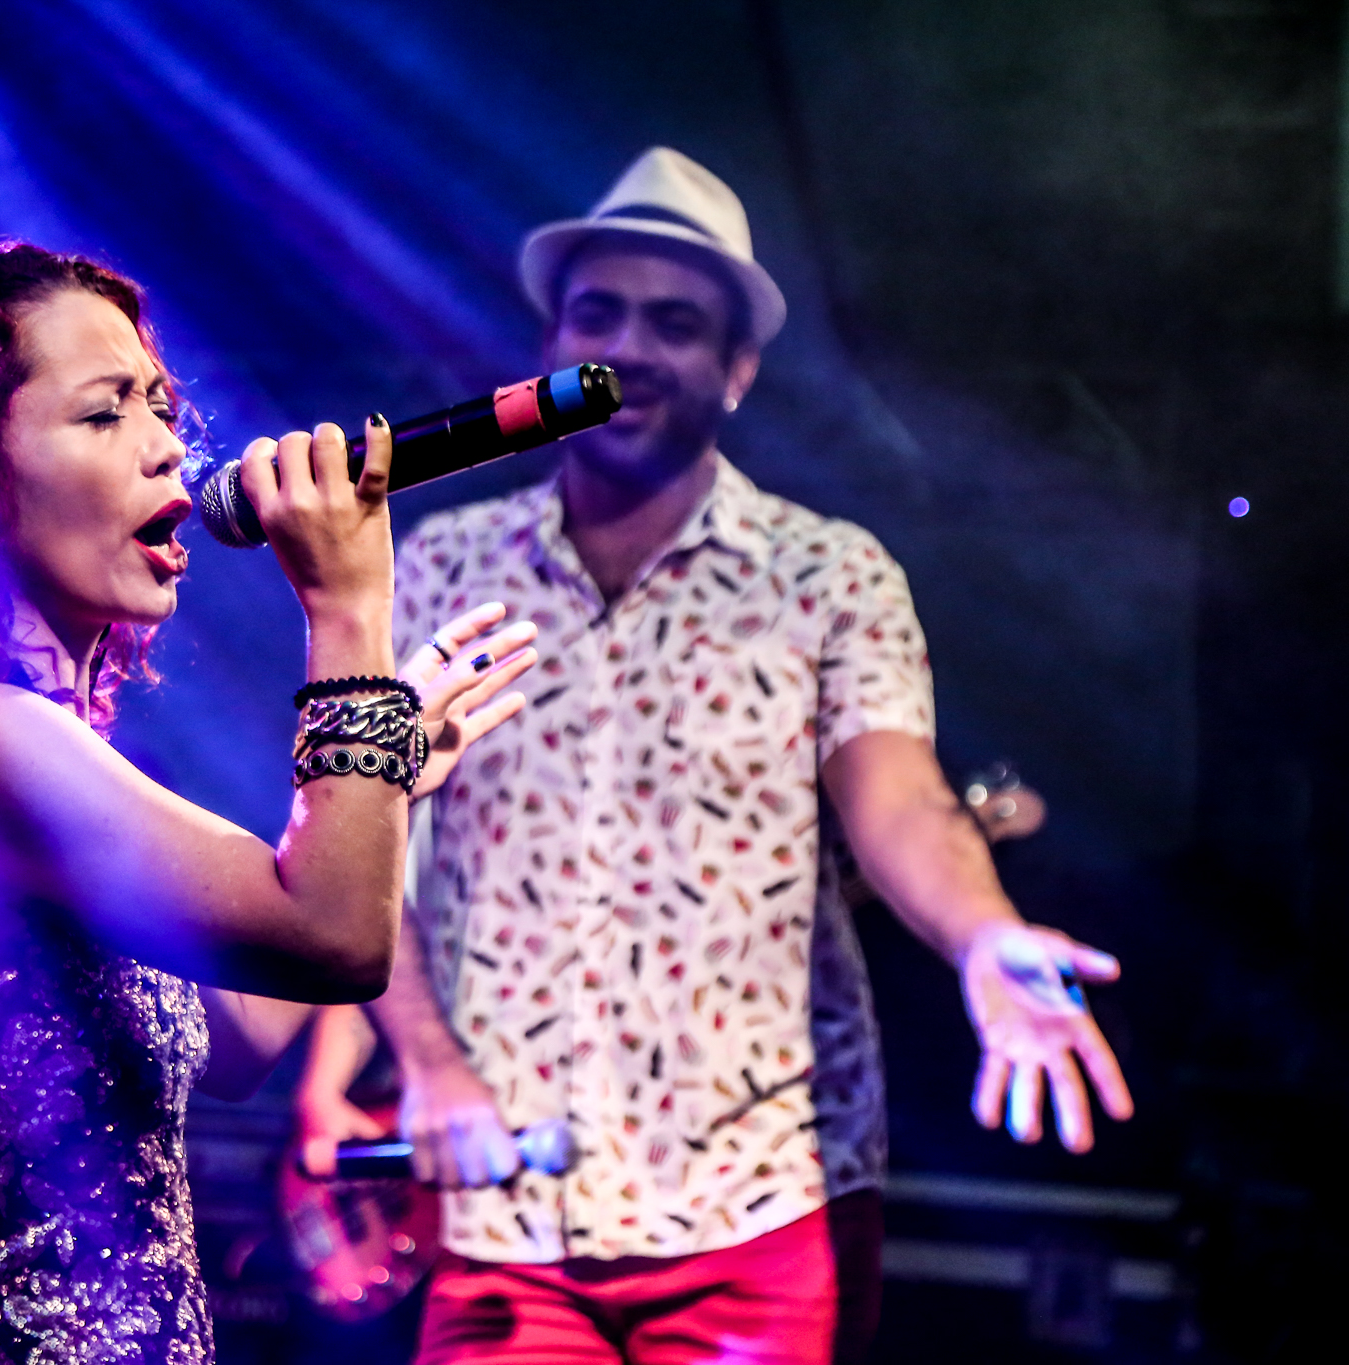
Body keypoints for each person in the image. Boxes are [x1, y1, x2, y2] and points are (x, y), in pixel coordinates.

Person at [296, 149, 1136, 1365]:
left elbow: (899, 800)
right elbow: (374, 848)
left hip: (760, 1208)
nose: (627, 348)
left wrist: (981, 934)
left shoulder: (826, 573)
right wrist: (424, 1063)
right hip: (502, 1211)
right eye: (596, 314)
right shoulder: (436, 564)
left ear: (737, 371)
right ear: (549, 347)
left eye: (675, 324)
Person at [0, 241, 539, 1365]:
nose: (168, 444)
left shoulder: (45, 759)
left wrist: (393, 776)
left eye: (160, 406)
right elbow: (334, 936)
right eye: (104, 412)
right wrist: (347, 612)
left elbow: (243, 1033)